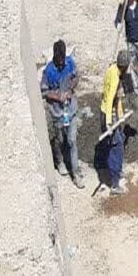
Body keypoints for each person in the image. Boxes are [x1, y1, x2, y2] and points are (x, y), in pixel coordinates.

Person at [40, 40, 83, 187]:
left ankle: (76, 174)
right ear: (55, 56)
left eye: (63, 59)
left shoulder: (70, 63)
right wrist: (58, 96)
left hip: (70, 110)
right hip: (57, 113)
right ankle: (58, 160)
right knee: (59, 139)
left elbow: (77, 76)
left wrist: (71, 89)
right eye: (59, 60)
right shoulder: (49, 72)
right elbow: (43, 92)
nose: (61, 62)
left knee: (72, 140)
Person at [100, 50, 131, 195]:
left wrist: (121, 116)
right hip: (108, 115)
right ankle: (114, 184)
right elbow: (111, 97)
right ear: (124, 66)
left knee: (119, 141)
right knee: (116, 146)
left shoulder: (112, 69)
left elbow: (117, 100)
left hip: (111, 113)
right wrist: (109, 122)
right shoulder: (115, 78)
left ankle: (116, 172)